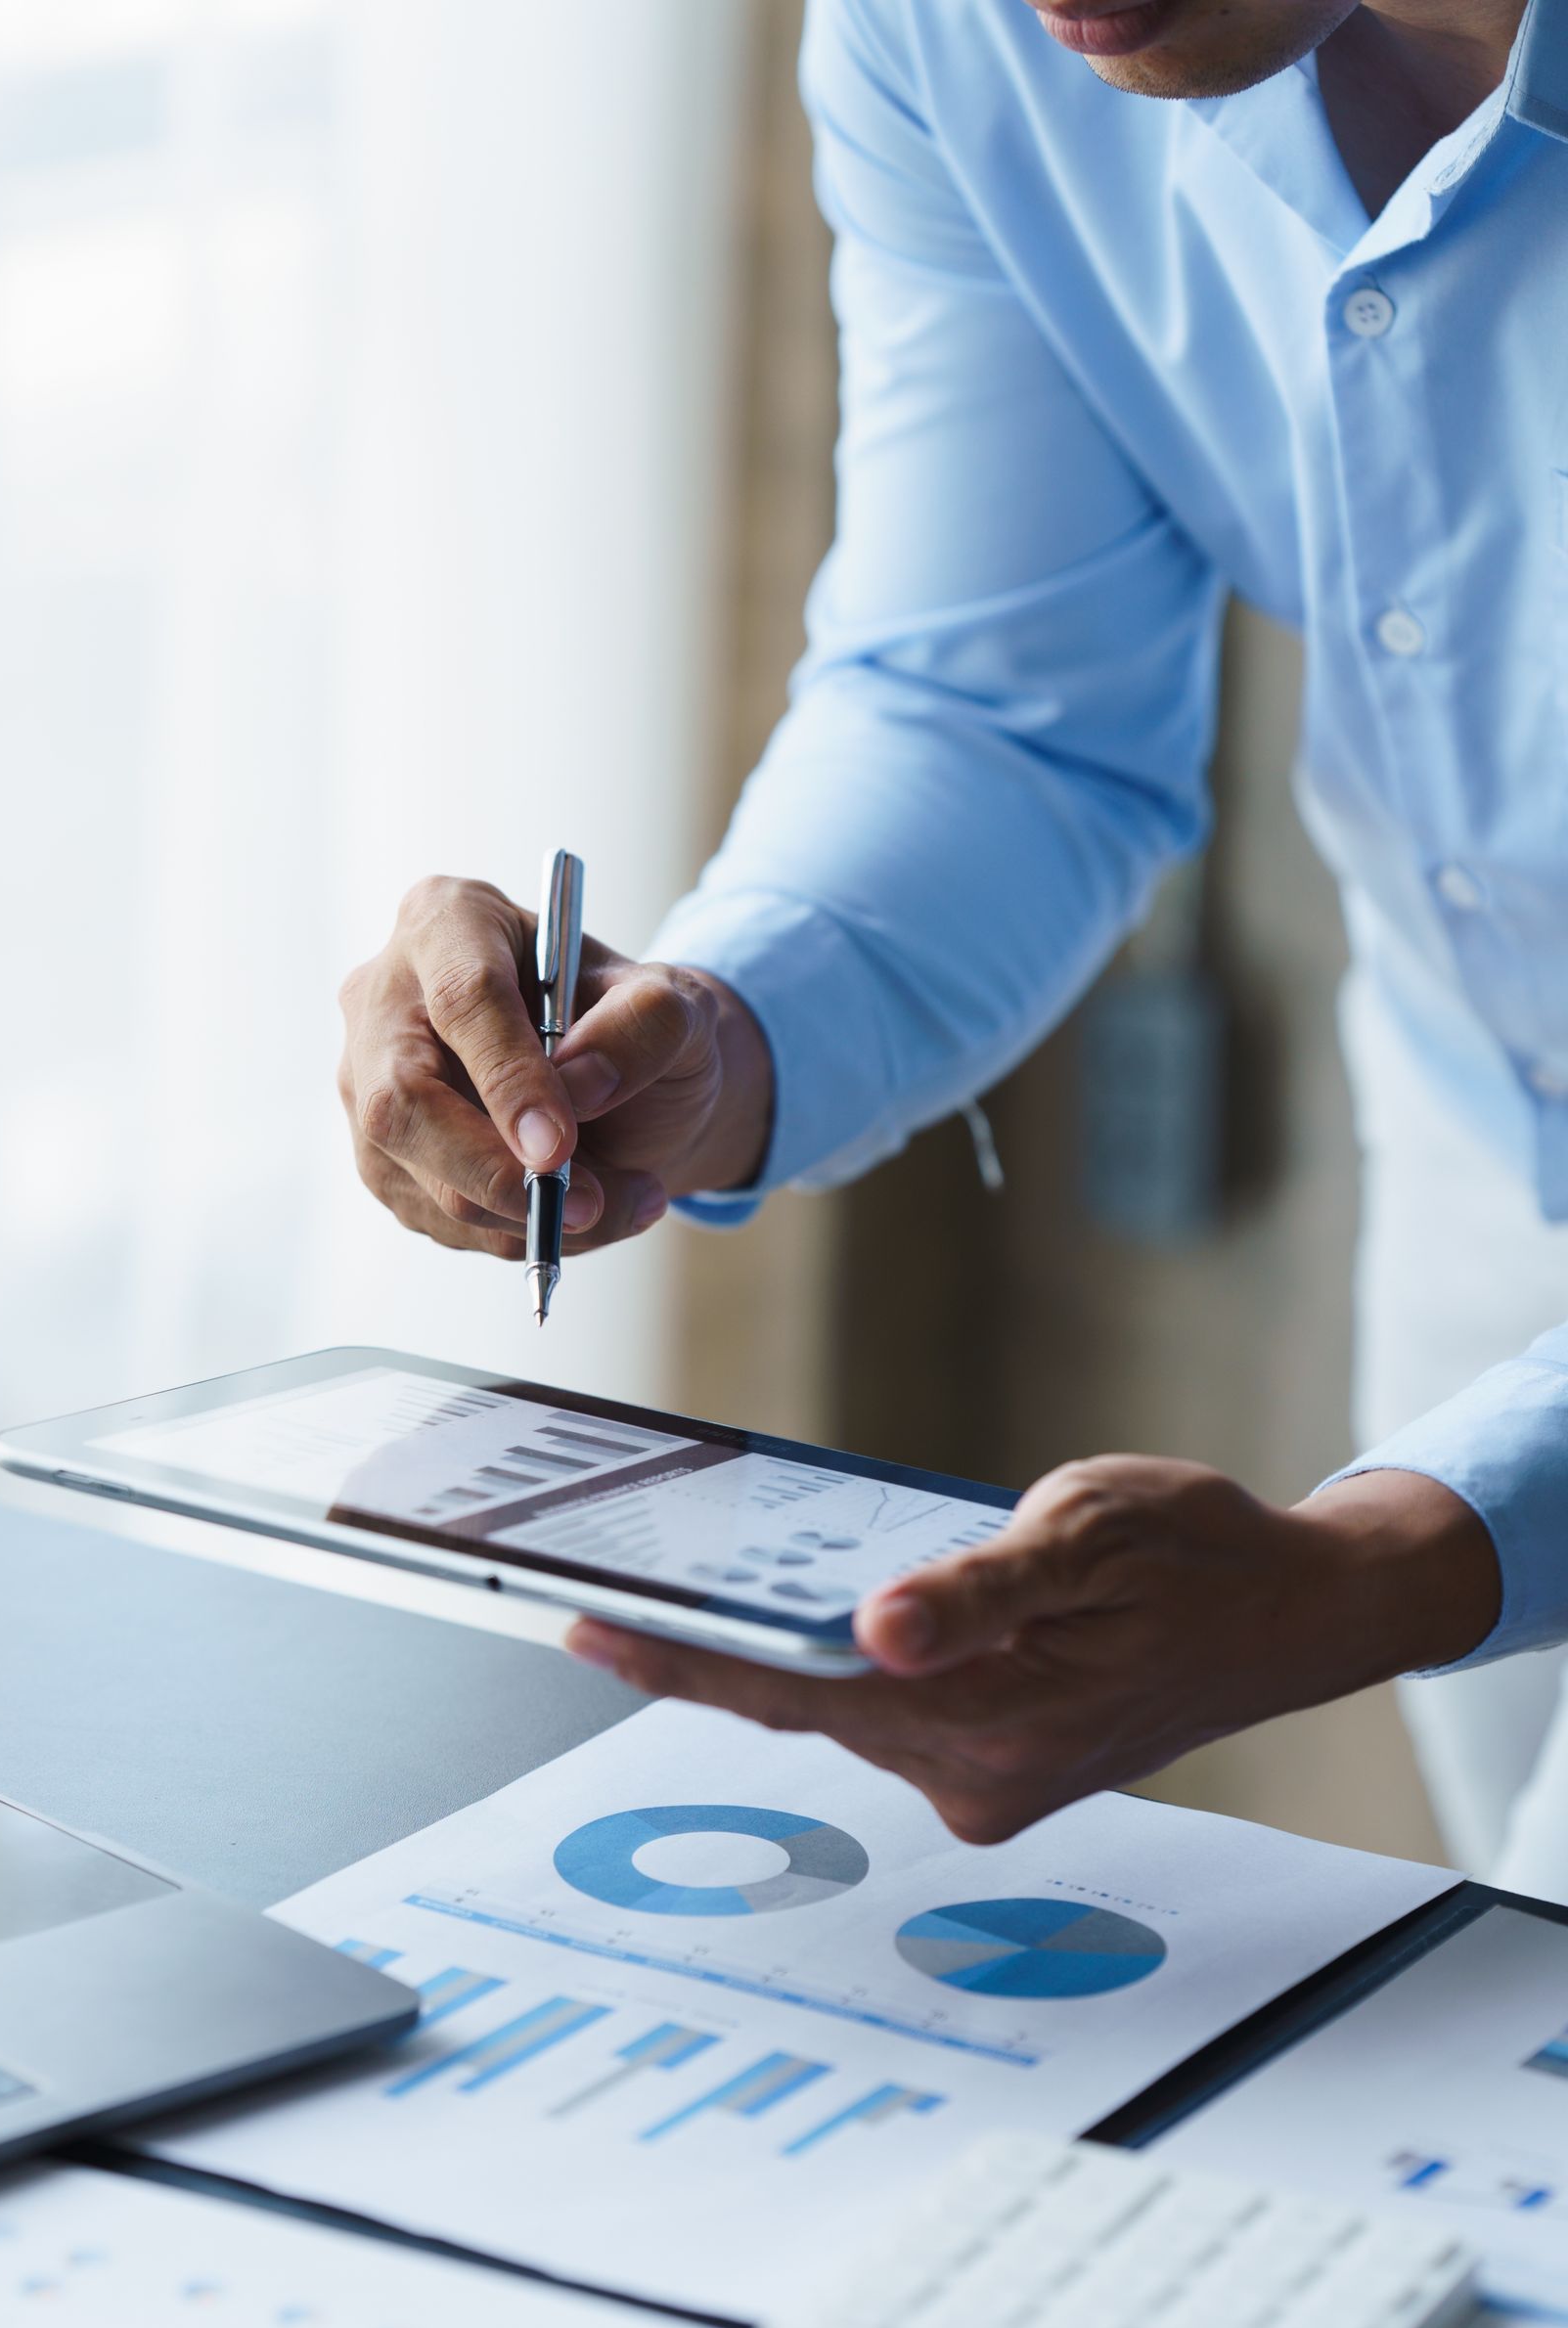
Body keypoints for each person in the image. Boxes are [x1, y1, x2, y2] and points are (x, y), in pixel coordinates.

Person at [336, 0, 1568, 1871]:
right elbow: (1000, 707)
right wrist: (701, 1039)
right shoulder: (954, 34)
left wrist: (1392, 1559)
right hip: (1491, 1144)